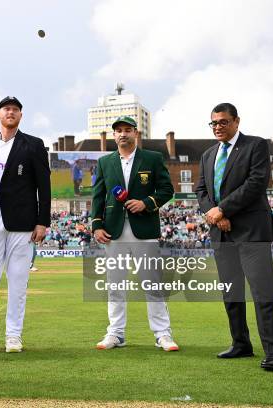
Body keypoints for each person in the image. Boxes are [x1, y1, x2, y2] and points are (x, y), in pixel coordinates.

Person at [195, 102, 273, 371]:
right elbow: (200, 189)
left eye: (223, 122)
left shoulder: (255, 146)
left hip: (251, 231)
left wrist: (223, 209)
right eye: (213, 123)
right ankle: (240, 343)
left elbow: (256, 183)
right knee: (231, 293)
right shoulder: (208, 154)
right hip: (221, 233)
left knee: (263, 293)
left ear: (236, 122)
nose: (218, 127)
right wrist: (215, 214)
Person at [0, 96, 51, 353]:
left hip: (23, 222)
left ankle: (13, 335)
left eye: (15, 109)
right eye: (6, 109)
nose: (11, 112)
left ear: (20, 116)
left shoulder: (34, 145)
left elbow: (44, 187)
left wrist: (42, 222)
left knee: (17, 280)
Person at [91, 115, 179, 352]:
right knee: (115, 285)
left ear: (135, 134)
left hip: (145, 229)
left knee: (152, 284)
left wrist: (146, 203)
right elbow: (98, 196)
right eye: (118, 130)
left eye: (127, 130)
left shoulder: (152, 158)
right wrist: (97, 225)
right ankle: (116, 333)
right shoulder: (105, 162)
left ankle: (163, 334)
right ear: (114, 135)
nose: (123, 134)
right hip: (113, 230)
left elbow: (166, 189)